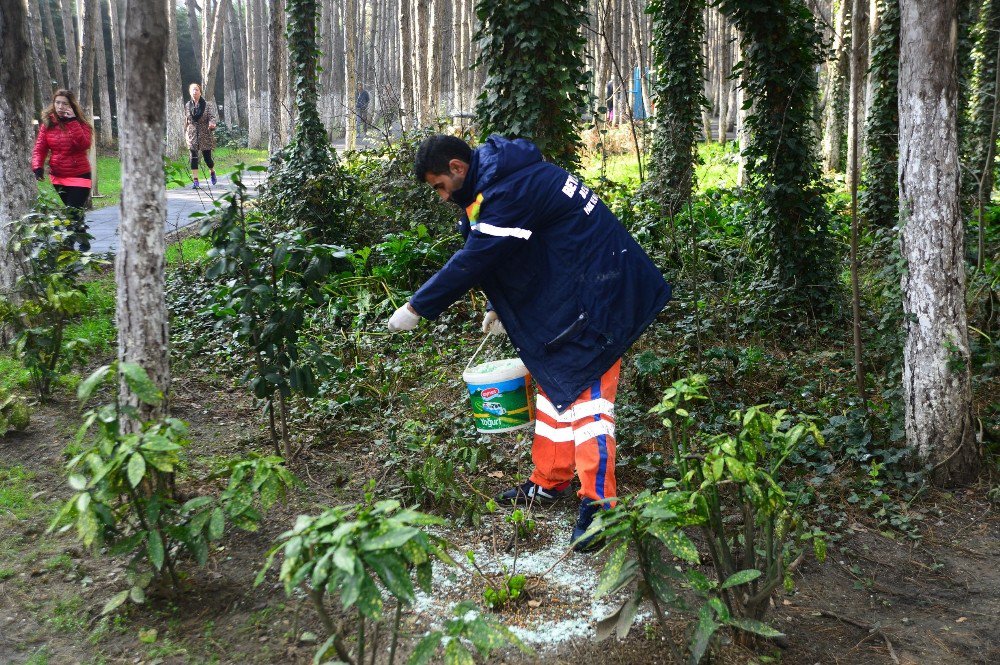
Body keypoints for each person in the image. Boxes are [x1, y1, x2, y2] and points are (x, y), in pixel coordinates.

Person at [388, 135, 671, 551]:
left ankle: (600, 506)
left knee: (589, 400)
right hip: (577, 286)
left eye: (439, 187)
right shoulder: (496, 183)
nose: (442, 197)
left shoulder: (508, 188)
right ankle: (549, 481)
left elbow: (477, 257)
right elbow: (511, 247)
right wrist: (496, 305)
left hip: (603, 294)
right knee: (555, 387)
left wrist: (418, 306)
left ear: (456, 168)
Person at [32, 89, 94, 252]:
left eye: (64, 103)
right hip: (58, 176)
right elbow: (40, 148)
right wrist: (37, 166)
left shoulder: (81, 124)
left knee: (72, 212)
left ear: (71, 106)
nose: (60, 106)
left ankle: (67, 248)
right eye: (57, 102)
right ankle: (84, 241)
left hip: (79, 174)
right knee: (73, 212)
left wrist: (72, 121)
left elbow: (84, 144)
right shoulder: (47, 124)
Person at [184, 83, 217, 188]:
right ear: (190, 92)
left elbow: (211, 117)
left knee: (208, 159)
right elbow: (187, 120)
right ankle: (196, 180)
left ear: (200, 91)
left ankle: (212, 171)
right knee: (193, 157)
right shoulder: (188, 105)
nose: (195, 92)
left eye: (196, 90)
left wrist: (212, 124)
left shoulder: (207, 105)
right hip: (192, 134)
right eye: (193, 90)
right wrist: (185, 131)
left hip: (205, 134)